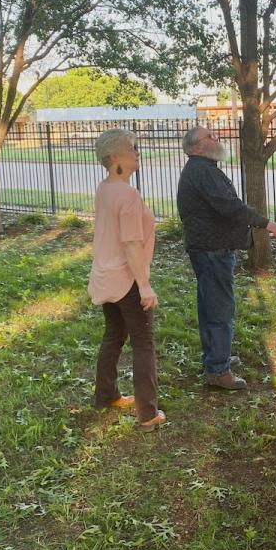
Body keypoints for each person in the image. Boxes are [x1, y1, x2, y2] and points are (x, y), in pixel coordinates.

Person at [177, 126, 276, 390]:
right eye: (210, 136)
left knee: (210, 306)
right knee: (220, 309)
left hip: (208, 248)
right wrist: (265, 223)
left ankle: (216, 358)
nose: (217, 138)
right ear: (196, 147)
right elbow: (230, 206)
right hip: (212, 250)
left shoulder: (204, 168)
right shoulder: (201, 170)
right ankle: (218, 371)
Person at [87, 128, 165, 431]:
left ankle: (106, 395)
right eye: (132, 148)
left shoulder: (105, 188)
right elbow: (131, 243)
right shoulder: (128, 194)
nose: (137, 152)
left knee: (114, 336)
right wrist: (144, 285)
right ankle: (148, 414)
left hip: (105, 276)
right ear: (115, 157)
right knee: (143, 344)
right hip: (127, 280)